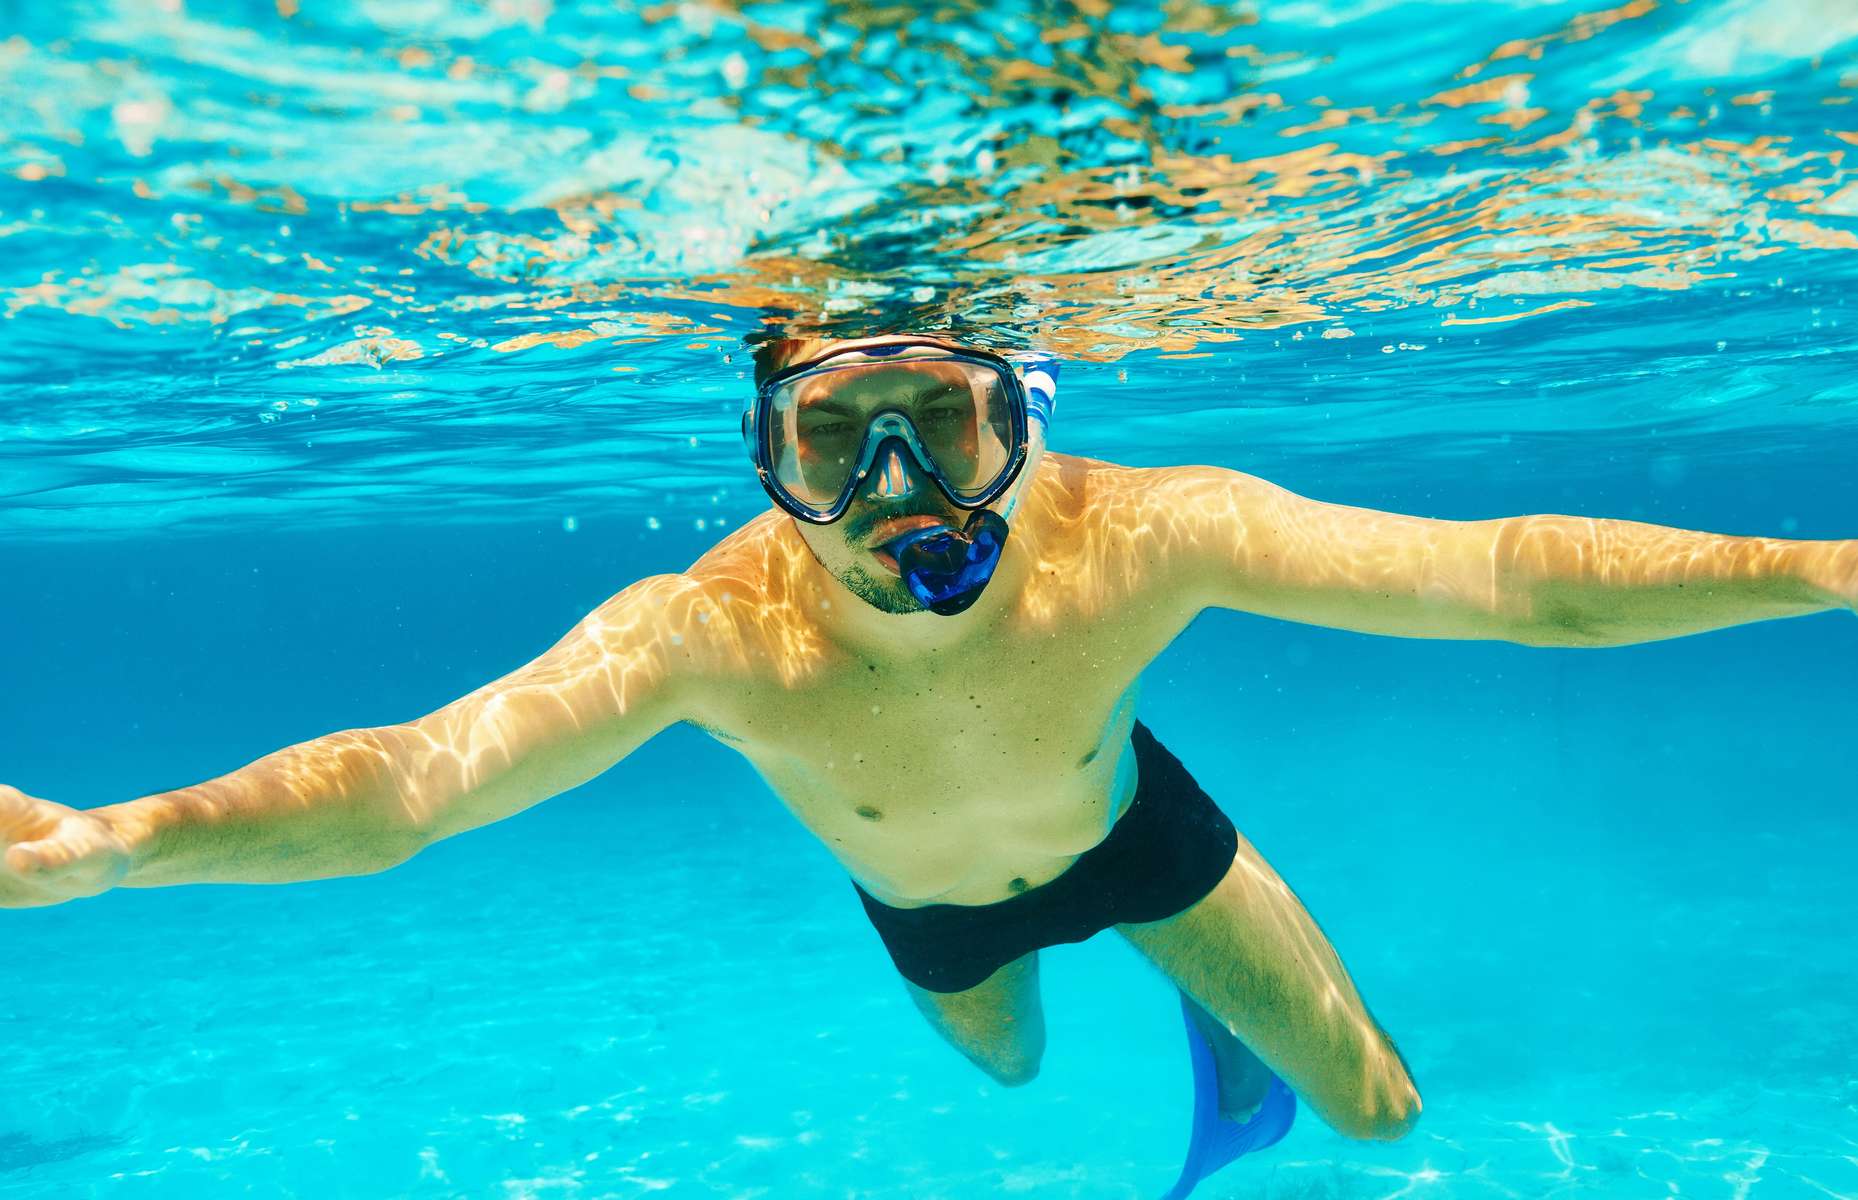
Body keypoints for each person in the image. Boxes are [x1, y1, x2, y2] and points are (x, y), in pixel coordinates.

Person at [4, 333, 1853, 1197]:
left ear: (1020, 425)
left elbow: (1510, 582)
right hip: (929, 906)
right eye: (835, 439)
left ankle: (1208, 994)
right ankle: (1119, 980)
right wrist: (110, 846)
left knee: (1378, 1119)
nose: (896, 494)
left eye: (938, 427)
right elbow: (416, 782)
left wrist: (1832, 569)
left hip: (1142, 834)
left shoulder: (1142, 533)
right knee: (1007, 1065)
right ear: (766, 460)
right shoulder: (703, 633)